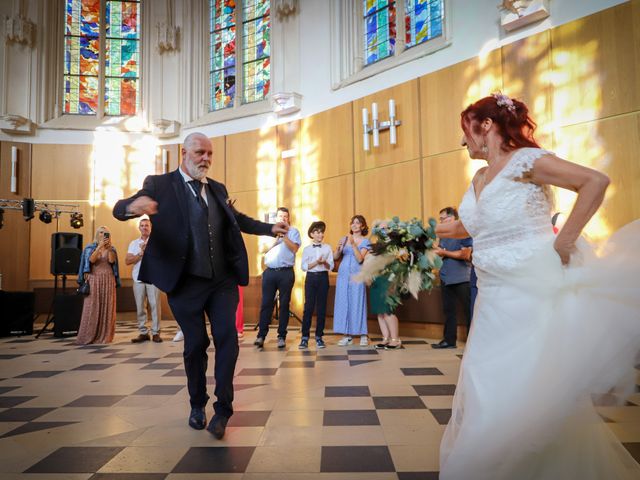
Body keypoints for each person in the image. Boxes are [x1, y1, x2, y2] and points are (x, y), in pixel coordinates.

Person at [437, 93, 640, 479]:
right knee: (486, 382)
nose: (463, 142)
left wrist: (564, 241)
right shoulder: (479, 177)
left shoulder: (526, 161)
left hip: (530, 287)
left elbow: (594, 182)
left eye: (466, 132)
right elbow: (479, 223)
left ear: (486, 126)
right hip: (492, 295)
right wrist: (436, 229)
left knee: (526, 385)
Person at [113, 132, 287, 440]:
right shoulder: (159, 184)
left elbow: (238, 219)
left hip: (221, 281)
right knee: (195, 345)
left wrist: (268, 228)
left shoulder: (217, 188)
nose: (205, 158)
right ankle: (197, 404)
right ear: (184, 153)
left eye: (209, 153)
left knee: (227, 340)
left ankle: (223, 410)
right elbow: (120, 207)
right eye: (199, 152)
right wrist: (133, 206)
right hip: (184, 283)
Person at [254, 207, 301, 349]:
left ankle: (281, 336)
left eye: (285, 216)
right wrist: (276, 238)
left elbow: (294, 248)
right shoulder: (269, 232)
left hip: (286, 272)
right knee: (266, 303)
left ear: (289, 218)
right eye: (280, 216)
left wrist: (284, 237)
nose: (283, 218)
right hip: (270, 272)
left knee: (284, 304)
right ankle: (261, 335)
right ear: (276, 218)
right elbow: (263, 250)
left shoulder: (294, 232)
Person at [432, 207, 473, 349]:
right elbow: (442, 252)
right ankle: (449, 340)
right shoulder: (443, 235)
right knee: (448, 311)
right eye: (440, 219)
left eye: (443, 218)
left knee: (469, 311)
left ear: (452, 218)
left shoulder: (464, 232)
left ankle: (471, 342)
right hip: (446, 277)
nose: (441, 221)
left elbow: (465, 255)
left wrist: (444, 252)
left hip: (462, 278)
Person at [76, 226, 120, 345]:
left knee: (107, 306)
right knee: (91, 306)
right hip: (94, 278)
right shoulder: (90, 248)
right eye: (101, 232)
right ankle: (88, 335)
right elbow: (91, 260)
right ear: (97, 234)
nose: (103, 235)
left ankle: (104, 336)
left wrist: (109, 248)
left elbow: (111, 261)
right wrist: (100, 247)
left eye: (106, 233)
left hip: (108, 278)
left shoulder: (112, 248)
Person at [333, 215, 371, 346]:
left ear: (362, 226)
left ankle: (363, 334)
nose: (354, 225)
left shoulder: (366, 242)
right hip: (343, 274)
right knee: (344, 302)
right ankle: (346, 334)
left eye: (357, 223)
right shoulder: (344, 239)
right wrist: (338, 249)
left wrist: (353, 244)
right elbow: (336, 257)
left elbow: (360, 259)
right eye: (353, 223)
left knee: (358, 301)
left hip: (357, 274)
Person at [299, 221, 334, 349]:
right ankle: (304, 338)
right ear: (312, 234)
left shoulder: (328, 248)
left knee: (321, 308)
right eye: (317, 232)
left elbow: (331, 266)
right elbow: (303, 267)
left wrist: (324, 263)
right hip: (311, 278)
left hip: (323, 278)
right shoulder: (307, 249)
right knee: (308, 307)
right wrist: (316, 263)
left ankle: (319, 337)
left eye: (322, 232)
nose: (320, 234)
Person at [127, 217, 162, 343]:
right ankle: (143, 332)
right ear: (139, 228)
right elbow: (127, 261)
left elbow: (162, 260)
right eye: (142, 225)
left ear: (151, 227)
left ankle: (156, 333)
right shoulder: (133, 244)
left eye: (146, 225)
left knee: (155, 306)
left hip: (153, 278)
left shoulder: (157, 243)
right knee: (140, 307)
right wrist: (140, 253)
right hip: (138, 278)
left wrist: (149, 251)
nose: (144, 227)